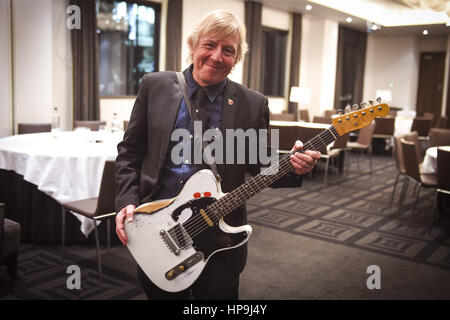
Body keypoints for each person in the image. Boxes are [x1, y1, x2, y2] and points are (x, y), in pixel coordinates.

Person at [115, 10, 321, 300]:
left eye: (228, 50)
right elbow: (130, 152)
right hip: (158, 230)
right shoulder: (155, 86)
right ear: (193, 45)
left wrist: (294, 166)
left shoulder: (253, 103)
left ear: (236, 59)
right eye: (209, 45)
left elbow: (262, 164)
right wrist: (127, 200)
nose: (216, 56)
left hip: (220, 235)